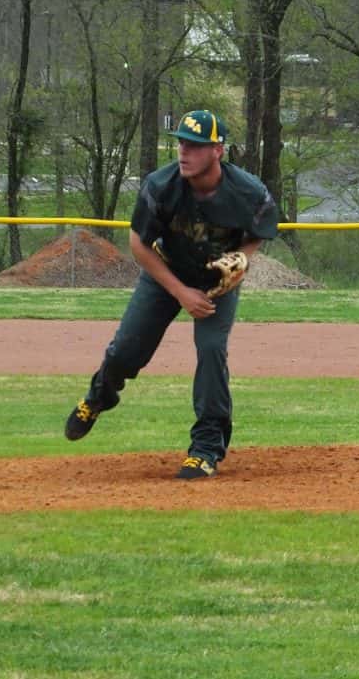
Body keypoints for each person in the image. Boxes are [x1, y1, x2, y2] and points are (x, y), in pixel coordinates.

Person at [64, 109, 280, 479]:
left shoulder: (248, 191)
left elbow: (258, 232)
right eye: (181, 143)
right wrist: (180, 293)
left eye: (194, 145)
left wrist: (241, 259)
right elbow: (138, 244)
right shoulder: (161, 185)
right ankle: (99, 396)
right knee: (127, 350)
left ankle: (206, 448)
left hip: (216, 280)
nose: (184, 151)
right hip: (166, 273)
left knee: (212, 351)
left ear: (218, 150)